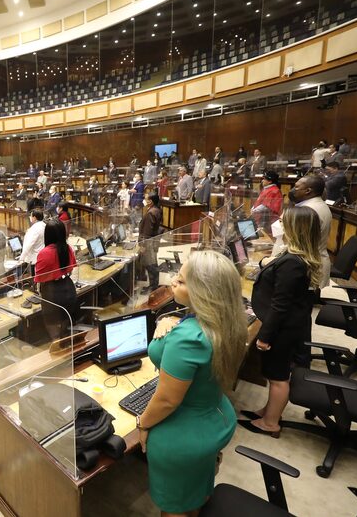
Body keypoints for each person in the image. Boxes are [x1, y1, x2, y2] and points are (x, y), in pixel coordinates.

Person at [138, 250, 248, 516]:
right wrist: (170, 319)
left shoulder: (188, 339)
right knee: (194, 493)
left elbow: (166, 400)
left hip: (182, 436)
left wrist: (142, 423)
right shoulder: (228, 321)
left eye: (182, 280)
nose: (173, 282)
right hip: (214, 418)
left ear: (204, 292)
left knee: (174, 507)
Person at [239, 207, 322, 438]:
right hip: (288, 325)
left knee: (278, 377)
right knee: (276, 373)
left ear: (295, 229)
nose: (278, 225)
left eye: (283, 222)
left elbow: (280, 305)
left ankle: (270, 423)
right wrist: (268, 262)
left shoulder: (293, 263)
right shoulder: (295, 257)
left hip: (282, 330)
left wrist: (264, 336)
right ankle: (268, 411)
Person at [34, 219, 78, 339]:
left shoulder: (44, 253)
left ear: (47, 235)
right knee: (64, 327)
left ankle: (58, 349)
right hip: (69, 289)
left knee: (53, 332)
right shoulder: (67, 248)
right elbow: (71, 269)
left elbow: (39, 279)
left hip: (52, 293)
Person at [287, 175, 331, 288]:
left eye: (296, 187)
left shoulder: (308, 210)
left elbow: (298, 242)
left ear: (308, 191)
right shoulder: (318, 204)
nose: (293, 189)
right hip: (314, 260)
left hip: (309, 265)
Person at [139, 192, 162, 291]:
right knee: (152, 263)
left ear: (151, 201)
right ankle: (154, 284)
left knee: (150, 264)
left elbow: (147, 232)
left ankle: (153, 286)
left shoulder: (151, 213)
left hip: (149, 243)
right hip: (153, 241)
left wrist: (143, 245)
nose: (145, 199)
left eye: (147, 199)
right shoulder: (157, 210)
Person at [19, 209, 46, 277]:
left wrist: (21, 258)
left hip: (34, 257)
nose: (30, 217)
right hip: (42, 254)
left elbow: (29, 244)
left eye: (31, 216)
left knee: (34, 277)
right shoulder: (44, 225)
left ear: (34, 217)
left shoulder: (34, 229)